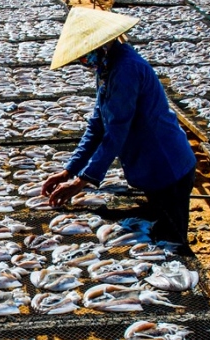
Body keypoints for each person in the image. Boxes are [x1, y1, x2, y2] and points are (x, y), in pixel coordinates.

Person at [41, 7, 197, 254]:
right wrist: (68, 170)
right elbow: (98, 125)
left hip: (166, 166)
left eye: (84, 54)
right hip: (148, 165)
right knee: (158, 227)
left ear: (101, 44)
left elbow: (116, 132)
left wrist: (82, 181)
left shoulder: (126, 69)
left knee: (172, 240)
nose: (83, 61)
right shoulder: (107, 67)